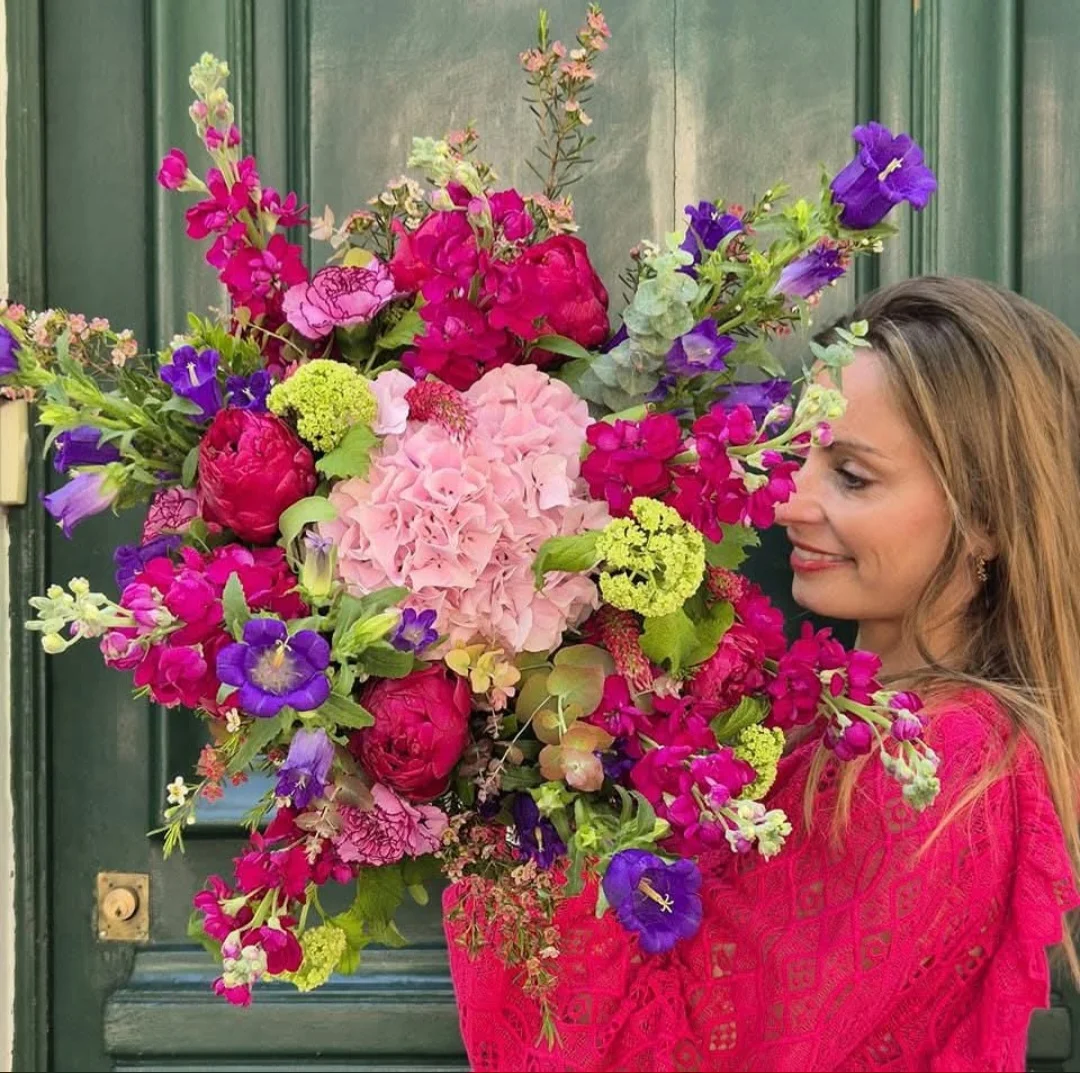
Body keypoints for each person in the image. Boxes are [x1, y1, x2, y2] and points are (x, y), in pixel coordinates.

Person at [444, 276, 1080, 1072]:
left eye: (851, 474)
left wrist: (501, 761)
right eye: (796, 449)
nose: (787, 501)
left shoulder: (935, 761)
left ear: (985, 517)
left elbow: (657, 1058)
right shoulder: (862, 722)